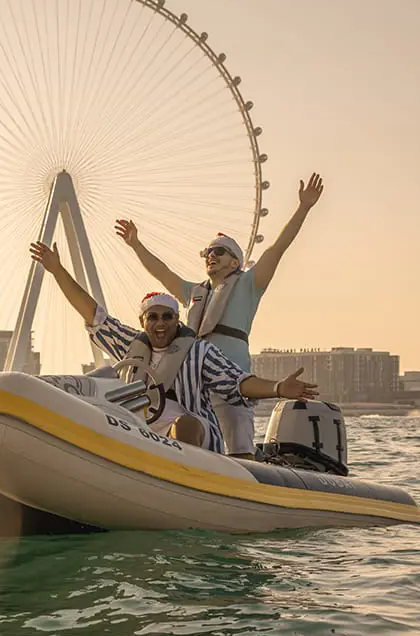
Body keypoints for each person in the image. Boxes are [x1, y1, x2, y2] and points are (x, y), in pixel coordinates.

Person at [29, 240, 317, 453]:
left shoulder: (199, 352)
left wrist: (278, 388)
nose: (160, 323)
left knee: (186, 425)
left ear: (177, 320)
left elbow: (238, 382)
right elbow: (93, 314)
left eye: (167, 317)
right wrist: (57, 270)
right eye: (152, 318)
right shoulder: (131, 347)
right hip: (138, 430)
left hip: (192, 432)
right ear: (143, 322)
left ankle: (183, 481)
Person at [115, 173, 324, 457]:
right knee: (195, 439)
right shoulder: (194, 293)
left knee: (239, 447)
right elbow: (162, 272)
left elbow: (278, 249)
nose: (210, 256)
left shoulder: (250, 284)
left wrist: (303, 208)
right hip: (195, 386)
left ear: (236, 261)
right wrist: (136, 244)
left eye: (219, 252)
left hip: (233, 379)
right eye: (207, 253)